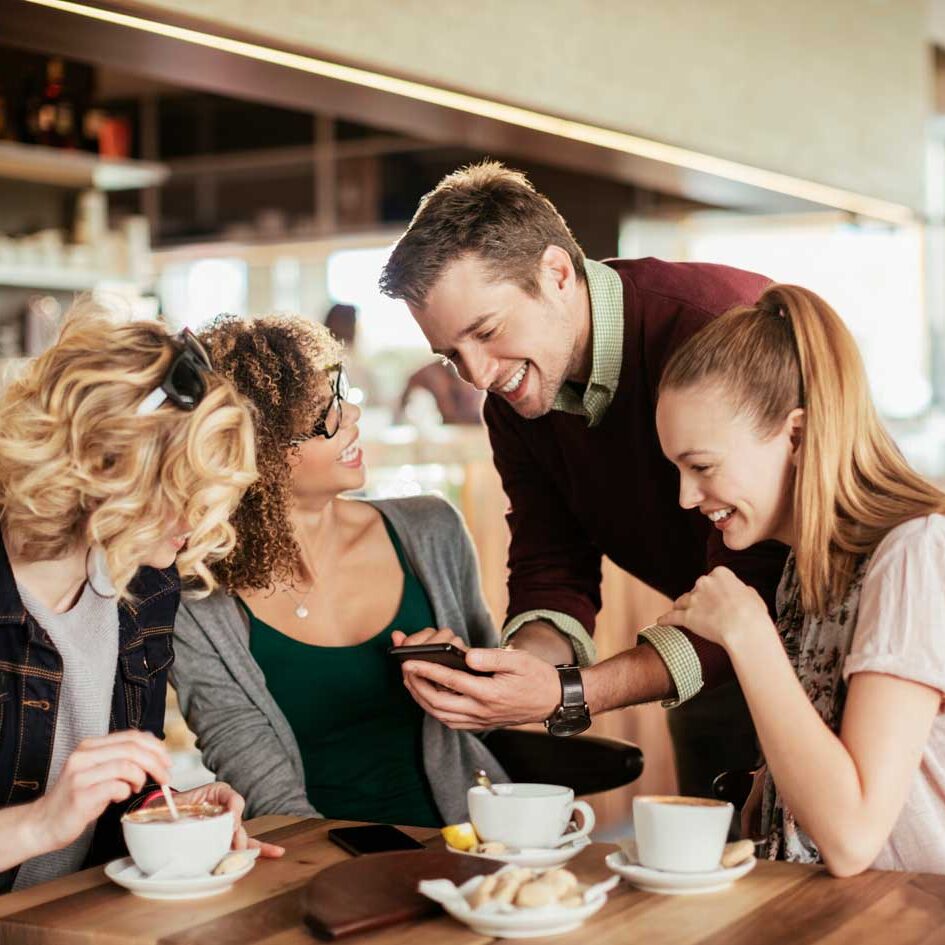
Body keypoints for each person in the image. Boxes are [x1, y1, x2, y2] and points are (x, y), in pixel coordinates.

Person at [379, 160, 787, 796]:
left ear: (557, 273)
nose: (479, 375)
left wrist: (572, 693)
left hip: (823, 640)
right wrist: (519, 671)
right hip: (707, 652)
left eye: (486, 332)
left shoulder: (712, 327)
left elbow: (760, 577)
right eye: (452, 355)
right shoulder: (517, 405)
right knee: (719, 864)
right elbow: (552, 562)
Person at [654, 283, 945, 875]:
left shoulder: (914, 553)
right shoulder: (802, 572)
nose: (687, 497)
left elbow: (853, 838)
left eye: (702, 466)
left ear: (796, 435)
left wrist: (748, 634)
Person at [171, 314, 506, 828]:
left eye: (339, 394)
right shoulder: (199, 601)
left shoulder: (431, 530)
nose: (350, 414)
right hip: (307, 865)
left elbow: (494, 722)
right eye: (322, 414)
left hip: (472, 842)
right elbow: (257, 781)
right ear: (257, 450)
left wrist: (468, 685)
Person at [0, 299, 280, 894]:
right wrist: (40, 823)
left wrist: (169, 809)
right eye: (183, 487)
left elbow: (98, 799)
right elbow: (54, 817)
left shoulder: (142, 586)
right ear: (107, 467)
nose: (204, 514)